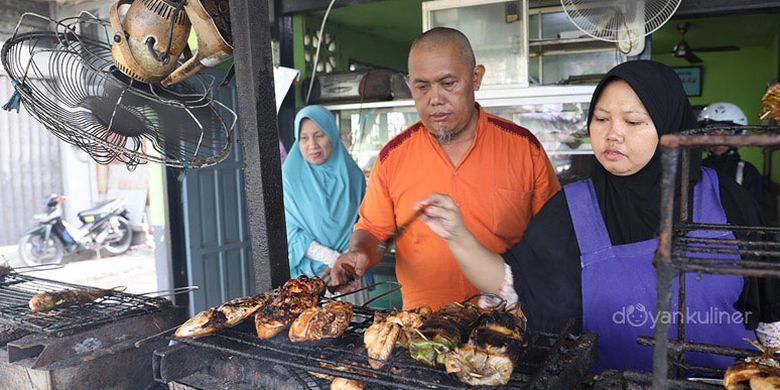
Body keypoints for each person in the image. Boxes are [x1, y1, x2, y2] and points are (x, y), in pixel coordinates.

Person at [417, 60, 780, 373]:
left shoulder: (727, 200)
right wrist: (457, 235)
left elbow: (771, 317)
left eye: (633, 122)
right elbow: (510, 284)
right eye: (601, 118)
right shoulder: (573, 208)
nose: (612, 134)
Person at [329, 27, 561, 311]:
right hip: (423, 330)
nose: (435, 98)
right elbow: (373, 230)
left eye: (448, 83)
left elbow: (555, 240)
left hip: (507, 324)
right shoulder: (393, 157)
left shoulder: (524, 149)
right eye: (422, 86)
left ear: (476, 78)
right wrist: (358, 253)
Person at [282, 105, 370, 303]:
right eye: (304, 138)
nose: (312, 144)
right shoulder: (289, 179)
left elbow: (366, 224)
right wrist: (332, 258)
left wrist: (346, 260)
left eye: (319, 135)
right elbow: (289, 232)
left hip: (350, 275)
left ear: (331, 134)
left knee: (357, 328)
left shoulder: (353, 175)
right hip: (310, 281)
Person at [699, 102, 775, 221]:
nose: (719, 140)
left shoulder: (746, 171)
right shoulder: (698, 167)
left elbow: (756, 212)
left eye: (726, 134)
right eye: (712, 133)